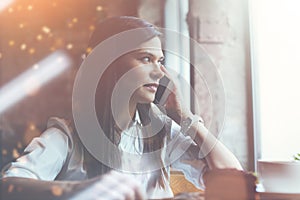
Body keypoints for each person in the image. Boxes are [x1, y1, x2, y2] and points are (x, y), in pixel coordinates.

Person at [1, 16, 242, 200]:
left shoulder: (161, 132)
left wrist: (185, 117)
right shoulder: (68, 136)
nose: (159, 72)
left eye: (160, 61)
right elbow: (8, 186)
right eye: (145, 59)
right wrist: (82, 189)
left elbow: (232, 176)